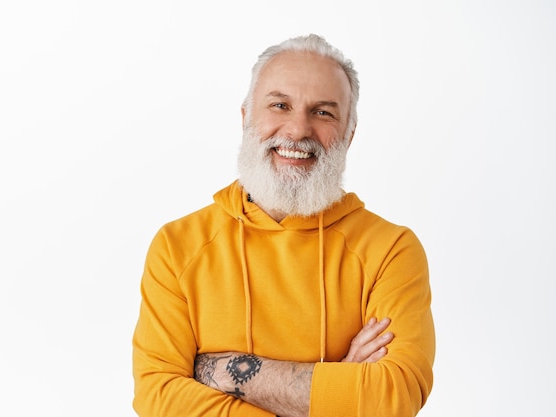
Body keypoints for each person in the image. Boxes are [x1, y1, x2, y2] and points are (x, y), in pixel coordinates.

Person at [132, 34, 435, 417]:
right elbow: (158, 398)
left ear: (349, 134)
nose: (297, 130)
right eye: (280, 105)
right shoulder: (178, 246)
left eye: (323, 112)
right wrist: (334, 392)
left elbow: (393, 397)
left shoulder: (391, 250)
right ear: (246, 118)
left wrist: (227, 371)